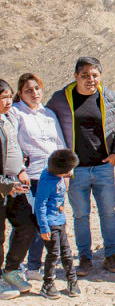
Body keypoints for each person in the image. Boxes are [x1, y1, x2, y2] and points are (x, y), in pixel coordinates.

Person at [47, 57, 115, 276]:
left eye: (95, 75)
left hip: (103, 167)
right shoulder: (60, 99)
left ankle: (111, 255)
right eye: (85, 75)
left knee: (108, 213)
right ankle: (85, 258)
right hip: (75, 171)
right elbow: (47, 125)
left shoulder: (109, 97)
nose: (90, 79)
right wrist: (61, 162)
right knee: (81, 215)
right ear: (76, 76)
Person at [7, 73, 66, 281]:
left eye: (37, 89)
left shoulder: (48, 114)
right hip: (27, 177)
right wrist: (20, 169)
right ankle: (16, 266)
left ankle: (34, 266)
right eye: (28, 90)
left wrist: (64, 169)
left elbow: (59, 142)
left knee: (45, 221)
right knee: (26, 221)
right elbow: (12, 143)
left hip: (50, 177)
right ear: (20, 93)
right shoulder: (15, 113)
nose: (34, 93)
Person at [0, 79, 33, 299]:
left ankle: (11, 270)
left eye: (9, 96)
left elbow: (14, 146)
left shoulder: (9, 117)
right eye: (2, 97)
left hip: (14, 185)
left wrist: (21, 168)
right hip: (3, 186)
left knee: (27, 225)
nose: (7, 101)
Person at [34, 149, 81, 299]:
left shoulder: (57, 175)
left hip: (60, 221)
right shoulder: (47, 181)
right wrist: (43, 227)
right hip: (50, 223)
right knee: (53, 254)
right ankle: (47, 285)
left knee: (66, 252)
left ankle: (72, 281)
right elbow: (40, 204)